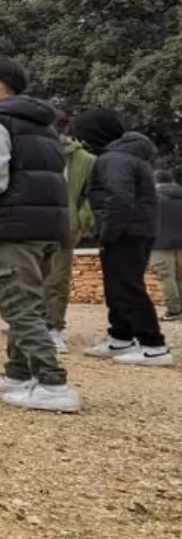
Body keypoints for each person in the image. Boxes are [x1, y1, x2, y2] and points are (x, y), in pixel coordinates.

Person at [0, 58, 79, 412]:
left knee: (17, 303)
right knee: (31, 301)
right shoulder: (44, 128)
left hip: (13, 225)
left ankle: (53, 383)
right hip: (45, 227)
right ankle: (17, 374)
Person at [74, 110, 174, 367]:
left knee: (128, 286)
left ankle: (154, 345)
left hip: (126, 231)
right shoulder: (126, 156)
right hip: (136, 229)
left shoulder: (114, 159)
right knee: (117, 286)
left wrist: (107, 232)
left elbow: (119, 200)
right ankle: (121, 336)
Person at [46, 110, 95, 351]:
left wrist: (80, 219)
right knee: (29, 280)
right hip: (34, 224)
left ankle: (54, 327)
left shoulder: (85, 160)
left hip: (65, 226)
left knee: (58, 280)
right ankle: (33, 325)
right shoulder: (31, 151)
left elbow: (90, 196)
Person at [149, 170, 182, 322]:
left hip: (160, 244)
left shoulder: (154, 199)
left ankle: (174, 311)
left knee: (166, 277)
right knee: (180, 277)